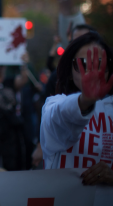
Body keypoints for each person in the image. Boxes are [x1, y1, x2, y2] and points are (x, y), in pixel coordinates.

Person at [40, 33, 113, 186]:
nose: (94, 73)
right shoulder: (53, 105)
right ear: (70, 72)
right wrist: (85, 99)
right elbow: (61, 115)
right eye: (84, 64)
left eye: (101, 64)